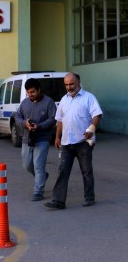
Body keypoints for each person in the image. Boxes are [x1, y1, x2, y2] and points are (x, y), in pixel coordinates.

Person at [44, 72, 103, 210]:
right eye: (66, 85)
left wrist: (91, 129)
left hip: (83, 142)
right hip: (66, 143)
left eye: (71, 84)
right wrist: (57, 137)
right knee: (62, 171)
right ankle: (58, 201)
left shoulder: (89, 98)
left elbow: (97, 115)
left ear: (78, 83)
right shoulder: (64, 100)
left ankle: (89, 197)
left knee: (86, 171)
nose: (69, 87)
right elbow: (60, 120)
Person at [15, 78, 57, 201]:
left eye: (33, 92)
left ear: (39, 90)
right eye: (28, 92)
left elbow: (53, 119)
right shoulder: (24, 103)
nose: (30, 95)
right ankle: (43, 176)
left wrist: (40, 126)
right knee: (27, 165)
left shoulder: (49, 102)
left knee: (38, 165)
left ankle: (38, 190)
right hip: (27, 139)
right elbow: (17, 116)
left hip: (42, 139)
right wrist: (24, 123)